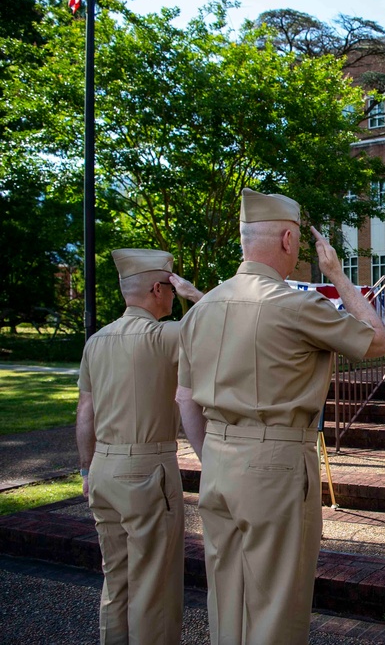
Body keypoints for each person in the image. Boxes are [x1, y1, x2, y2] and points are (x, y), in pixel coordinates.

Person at [175, 188, 385, 645]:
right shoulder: (295, 305)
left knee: (226, 603)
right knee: (276, 609)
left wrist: (213, 455)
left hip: (216, 459)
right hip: (275, 465)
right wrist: (336, 272)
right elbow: (378, 340)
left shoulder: (202, 310)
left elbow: (184, 399)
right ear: (289, 241)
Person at [76, 248, 204, 645]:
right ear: (157, 288)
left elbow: (85, 412)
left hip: (101, 469)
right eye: (170, 286)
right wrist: (195, 296)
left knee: (117, 581)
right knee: (155, 587)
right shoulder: (167, 335)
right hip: (148, 471)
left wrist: (85, 469)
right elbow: (221, 321)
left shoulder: (96, 342)